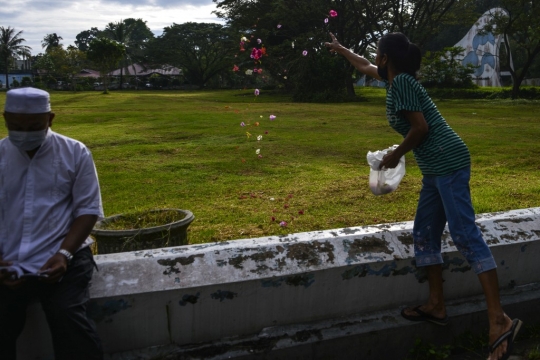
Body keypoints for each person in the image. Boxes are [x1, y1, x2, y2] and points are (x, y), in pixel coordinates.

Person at [325, 32, 521, 360]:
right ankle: (436, 305)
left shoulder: (401, 83)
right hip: (435, 166)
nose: (374, 58)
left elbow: (420, 128)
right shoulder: (393, 80)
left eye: (378, 53)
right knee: (425, 232)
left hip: (449, 161)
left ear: (386, 59)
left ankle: (499, 319)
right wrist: (340, 48)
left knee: (465, 234)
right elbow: (362, 65)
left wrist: (394, 155)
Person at [0, 87, 104, 360]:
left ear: (50, 119)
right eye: (15, 126)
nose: (24, 133)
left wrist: (64, 254)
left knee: (67, 315)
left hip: (62, 255)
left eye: (33, 126)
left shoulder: (74, 153)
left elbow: (88, 210)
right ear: (4, 119)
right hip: (7, 259)